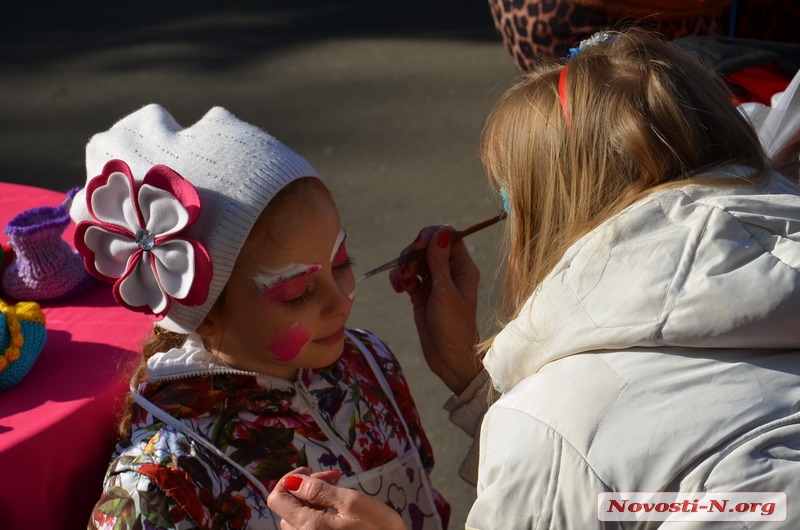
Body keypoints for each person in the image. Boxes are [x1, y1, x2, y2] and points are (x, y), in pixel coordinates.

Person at [267, 28, 800, 528]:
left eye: (509, 206)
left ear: (546, 217)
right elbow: (627, 490)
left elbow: (591, 468)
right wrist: (477, 388)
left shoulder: (556, 428)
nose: (339, 299)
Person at [70, 104, 450, 529]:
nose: (341, 300)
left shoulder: (369, 364)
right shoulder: (160, 486)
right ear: (205, 316)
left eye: (340, 262)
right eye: (297, 292)